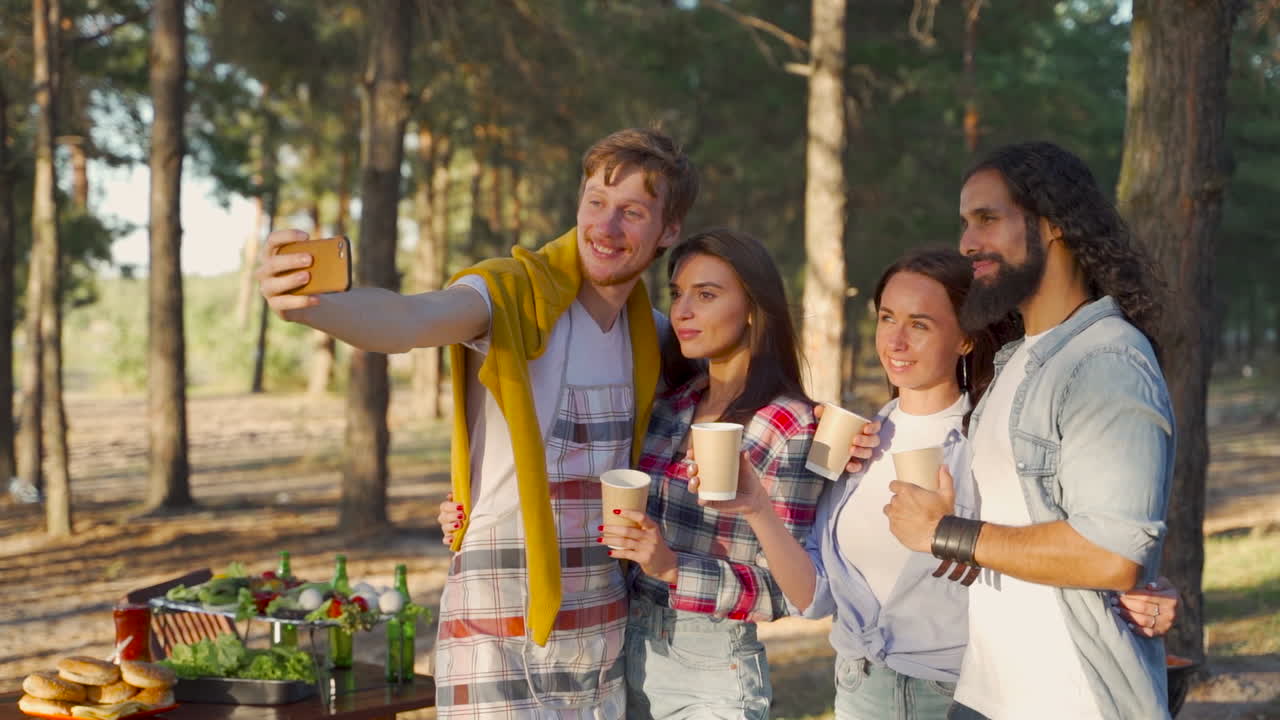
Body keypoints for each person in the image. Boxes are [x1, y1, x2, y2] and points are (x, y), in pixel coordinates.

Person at [261, 127, 698, 719]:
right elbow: (412, 319)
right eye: (595, 202)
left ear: (668, 230)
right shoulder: (510, 295)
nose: (606, 226)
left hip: (599, 622)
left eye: (633, 212)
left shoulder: (653, 335)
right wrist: (317, 305)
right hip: (495, 616)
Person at [695, 247, 1177, 720]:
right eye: (887, 318)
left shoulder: (990, 444)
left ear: (966, 338)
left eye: (919, 325)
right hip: (858, 690)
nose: (896, 341)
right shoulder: (855, 442)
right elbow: (814, 597)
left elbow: (1066, 543)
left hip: (957, 693)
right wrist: (758, 507)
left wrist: (1137, 593)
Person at [886, 141, 1176, 719]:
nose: (968, 242)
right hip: (987, 693)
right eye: (965, 223)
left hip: (1071, 699)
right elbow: (1032, 521)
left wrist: (950, 532)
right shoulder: (1016, 359)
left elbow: (1110, 554)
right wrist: (955, 521)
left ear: (1054, 225)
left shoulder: (1106, 361)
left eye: (988, 220)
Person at [597, 228, 825, 719]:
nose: (682, 311)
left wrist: (673, 567)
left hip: (709, 670)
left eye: (706, 294)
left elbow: (789, 592)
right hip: (622, 653)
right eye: (678, 294)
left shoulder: (787, 424)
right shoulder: (671, 404)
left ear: (752, 307)